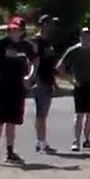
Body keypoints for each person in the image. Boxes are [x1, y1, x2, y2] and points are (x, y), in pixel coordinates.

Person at [0, 17, 35, 167]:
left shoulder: (26, 46)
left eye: (17, 29)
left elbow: (34, 62)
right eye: (11, 29)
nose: (13, 31)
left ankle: (10, 153)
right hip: (1, 87)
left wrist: (30, 76)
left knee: (12, 122)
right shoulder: (1, 44)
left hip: (18, 87)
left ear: (22, 31)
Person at [29, 14, 61, 153]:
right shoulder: (36, 42)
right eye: (49, 24)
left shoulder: (48, 42)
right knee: (41, 114)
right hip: (40, 80)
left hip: (48, 80)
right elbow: (32, 61)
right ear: (43, 25)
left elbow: (50, 65)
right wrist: (33, 78)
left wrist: (54, 83)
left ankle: (40, 141)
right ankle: (42, 142)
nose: (52, 27)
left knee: (43, 114)